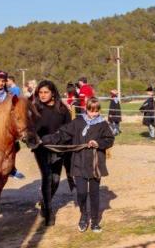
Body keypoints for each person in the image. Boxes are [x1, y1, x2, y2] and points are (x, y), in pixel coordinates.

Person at [42, 97, 114, 233]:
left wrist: (98, 143)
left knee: (94, 194)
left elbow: (109, 140)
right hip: (78, 163)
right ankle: (83, 216)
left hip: (95, 164)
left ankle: (94, 221)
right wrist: (46, 140)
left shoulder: (103, 124)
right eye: (91, 111)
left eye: (96, 111)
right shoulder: (78, 122)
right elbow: (63, 134)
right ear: (86, 109)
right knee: (81, 193)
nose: (93, 114)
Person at [31, 80, 72, 226]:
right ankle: (48, 211)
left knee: (55, 179)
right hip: (41, 148)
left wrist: (60, 140)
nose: (42, 95)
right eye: (40, 92)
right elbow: (29, 130)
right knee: (47, 177)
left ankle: (44, 201)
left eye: (45, 92)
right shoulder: (35, 109)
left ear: (53, 93)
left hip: (58, 148)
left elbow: (69, 129)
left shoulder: (62, 109)